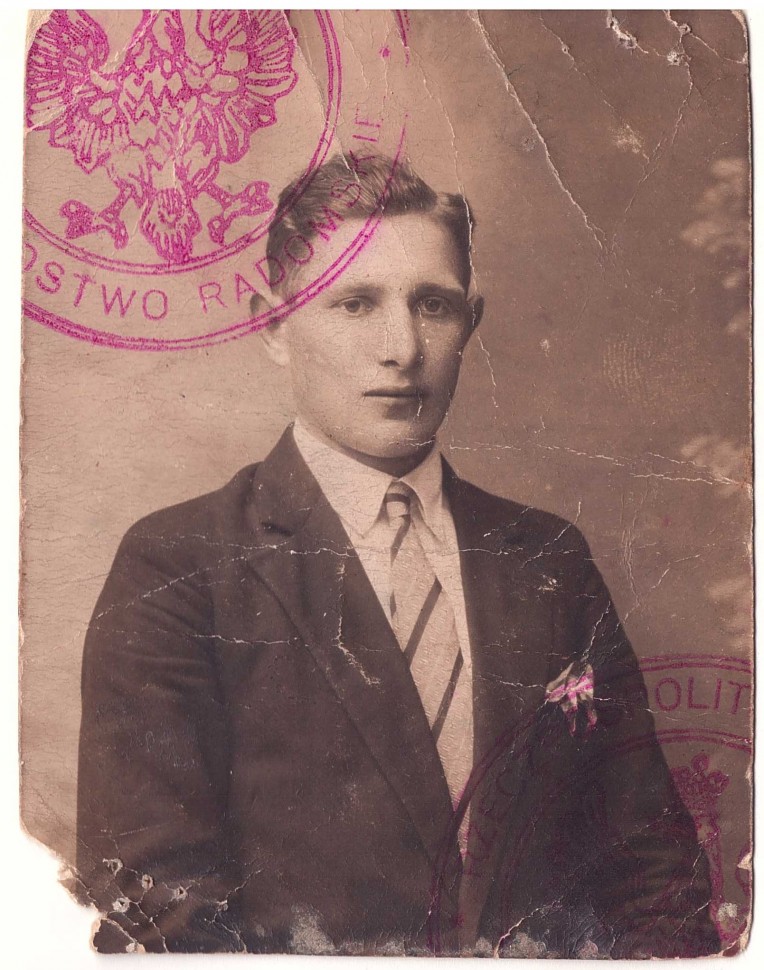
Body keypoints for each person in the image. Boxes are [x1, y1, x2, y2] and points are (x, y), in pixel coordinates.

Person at [77, 153, 720, 957]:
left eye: (434, 306)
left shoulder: (549, 560)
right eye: (354, 303)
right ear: (273, 326)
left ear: (470, 323)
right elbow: (153, 905)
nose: (402, 348)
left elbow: (652, 876)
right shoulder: (179, 565)